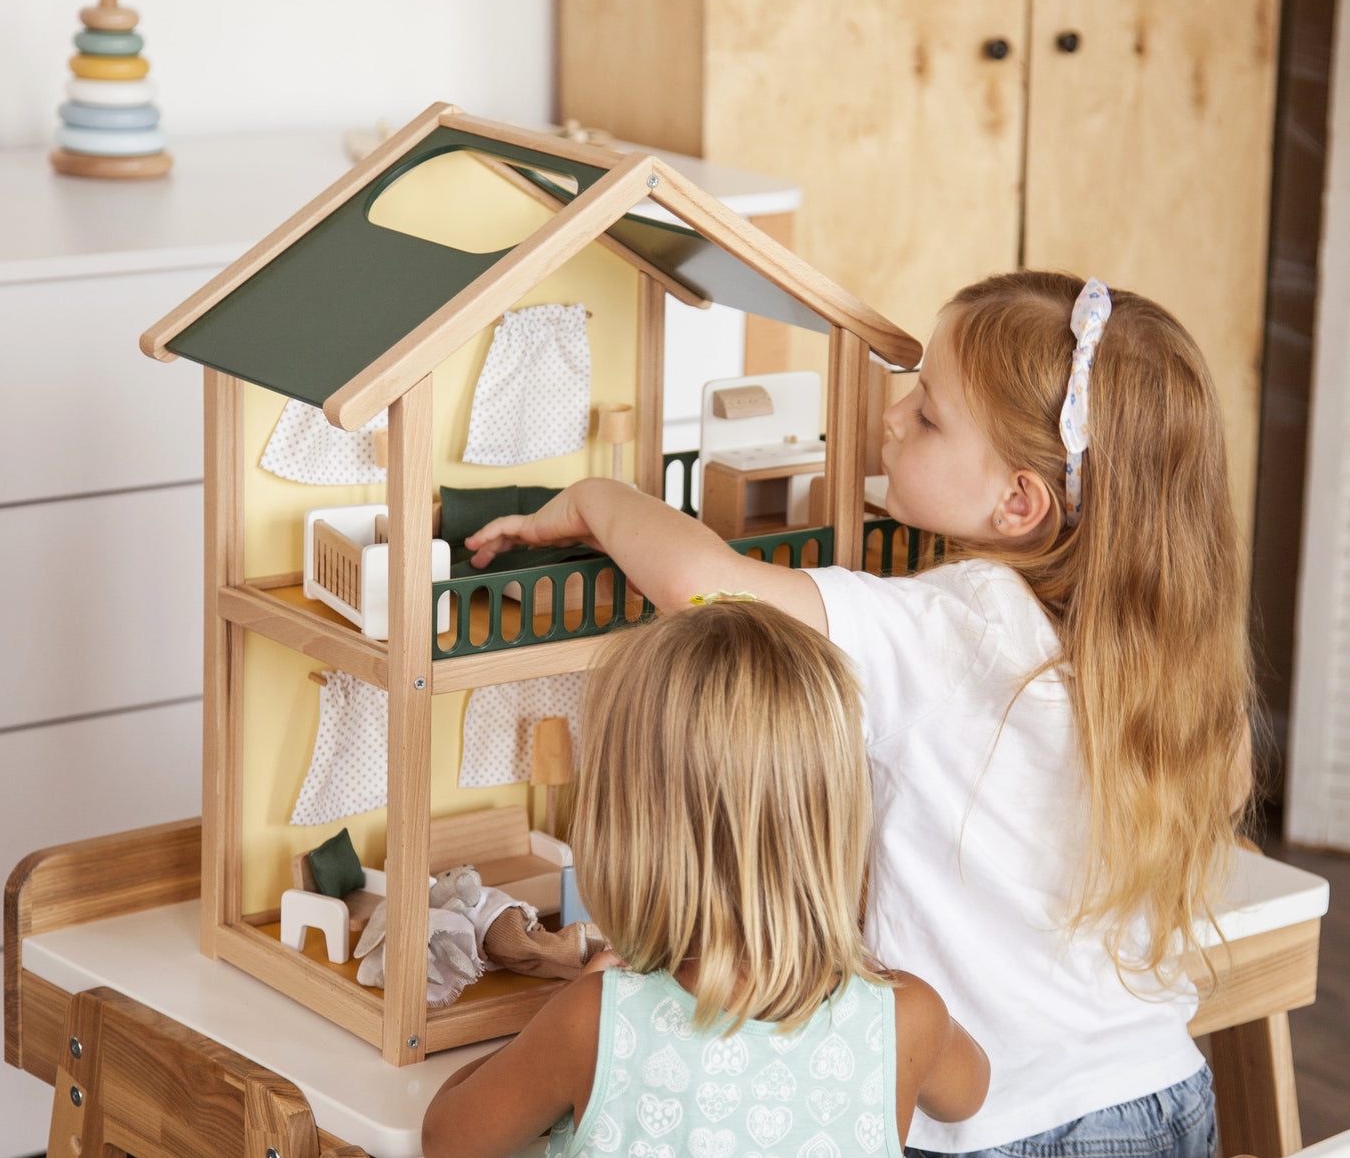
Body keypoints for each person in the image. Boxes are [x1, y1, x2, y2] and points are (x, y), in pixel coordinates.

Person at [462, 272, 1252, 1158]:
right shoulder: (1164, 655)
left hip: (1001, 1129)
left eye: (927, 415)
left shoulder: (953, 629)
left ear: (1019, 501)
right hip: (1165, 1091)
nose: (889, 413)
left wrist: (592, 502)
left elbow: (703, 588)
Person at [421, 601, 990, 1158]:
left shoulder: (592, 1021)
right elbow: (969, 1095)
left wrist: (558, 1016)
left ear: (625, 829)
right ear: (834, 819)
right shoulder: (907, 1016)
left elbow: (445, 1139)